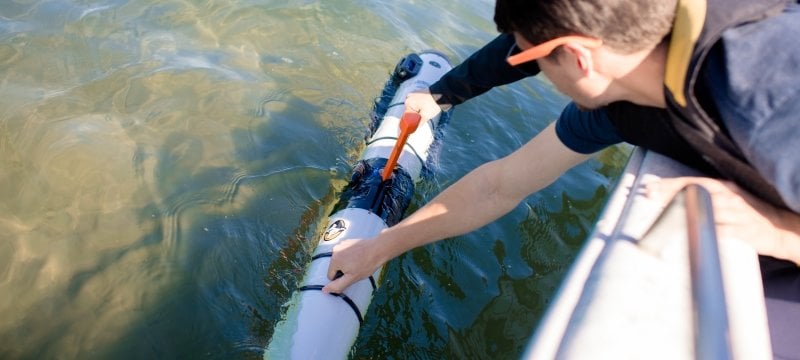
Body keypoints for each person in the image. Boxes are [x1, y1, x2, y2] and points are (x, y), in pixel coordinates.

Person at [325, 0, 800, 355]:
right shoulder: (618, 103)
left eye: (529, 58)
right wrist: (380, 247)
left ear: (578, 57)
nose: (531, 70)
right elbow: (499, 185)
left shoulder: (767, 89)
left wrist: (777, 230)